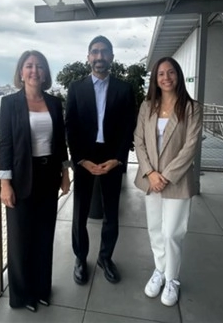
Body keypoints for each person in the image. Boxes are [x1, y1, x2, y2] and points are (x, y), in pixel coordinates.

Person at [0, 50, 71, 312]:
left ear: (45, 73)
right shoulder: (9, 103)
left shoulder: (54, 103)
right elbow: (5, 145)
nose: (34, 71)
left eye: (39, 66)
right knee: (20, 240)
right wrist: (5, 184)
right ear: (21, 72)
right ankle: (21, 295)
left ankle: (41, 289)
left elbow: (60, 142)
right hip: (20, 180)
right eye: (29, 66)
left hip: (48, 176)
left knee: (44, 236)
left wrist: (65, 173)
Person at [65, 35, 136, 285]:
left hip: (112, 157)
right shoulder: (76, 88)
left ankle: (106, 258)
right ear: (88, 57)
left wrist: (118, 159)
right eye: (95, 52)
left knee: (111, 213)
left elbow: (129, 127)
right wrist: (80, 159)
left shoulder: (124, 89)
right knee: (79, 213)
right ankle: (80, 258)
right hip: (85, 158)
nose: (99, 56)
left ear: (112, 57)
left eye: (104, 52)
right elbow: (70, 126)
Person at [133, 56, 203, 306]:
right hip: (151, 179)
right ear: (155, 79)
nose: (166, 77)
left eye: (170, 72)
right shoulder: (147, 106)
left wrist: (166, 176)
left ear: (178, 75)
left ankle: (172, 278)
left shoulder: (192, 108)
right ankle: (160, 270)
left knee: (172, 232)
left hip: (177, 180)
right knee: (155, 229)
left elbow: (190, 146)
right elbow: (139, 140)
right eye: (161, 73)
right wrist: (150, 173)